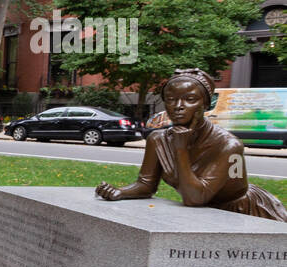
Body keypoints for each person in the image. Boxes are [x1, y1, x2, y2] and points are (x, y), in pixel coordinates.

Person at [96, 67, 287, 221]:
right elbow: (146, 185)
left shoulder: (228, 145)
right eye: (171, 99)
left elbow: (195, 198)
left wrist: (181, 149)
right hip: (202, 211)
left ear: (205, 104)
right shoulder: (158, 139)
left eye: (190, 99)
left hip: (242, 211)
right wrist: (120, 192)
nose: (178, 106)